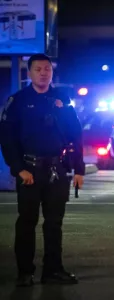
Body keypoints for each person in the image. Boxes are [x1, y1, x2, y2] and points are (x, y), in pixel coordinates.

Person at [0, 54, 84, 286]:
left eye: (47, 69)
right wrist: (18, 169)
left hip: (57, 169)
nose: (44, 73)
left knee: (54, 222)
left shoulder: (61, 99)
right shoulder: (17, 101)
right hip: (29, 170)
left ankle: (53, 271)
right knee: (27, 222)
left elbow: (75, 134)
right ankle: (25, 272)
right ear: (30, 73)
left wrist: (79, 169)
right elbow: (7, 139)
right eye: (38, 69)